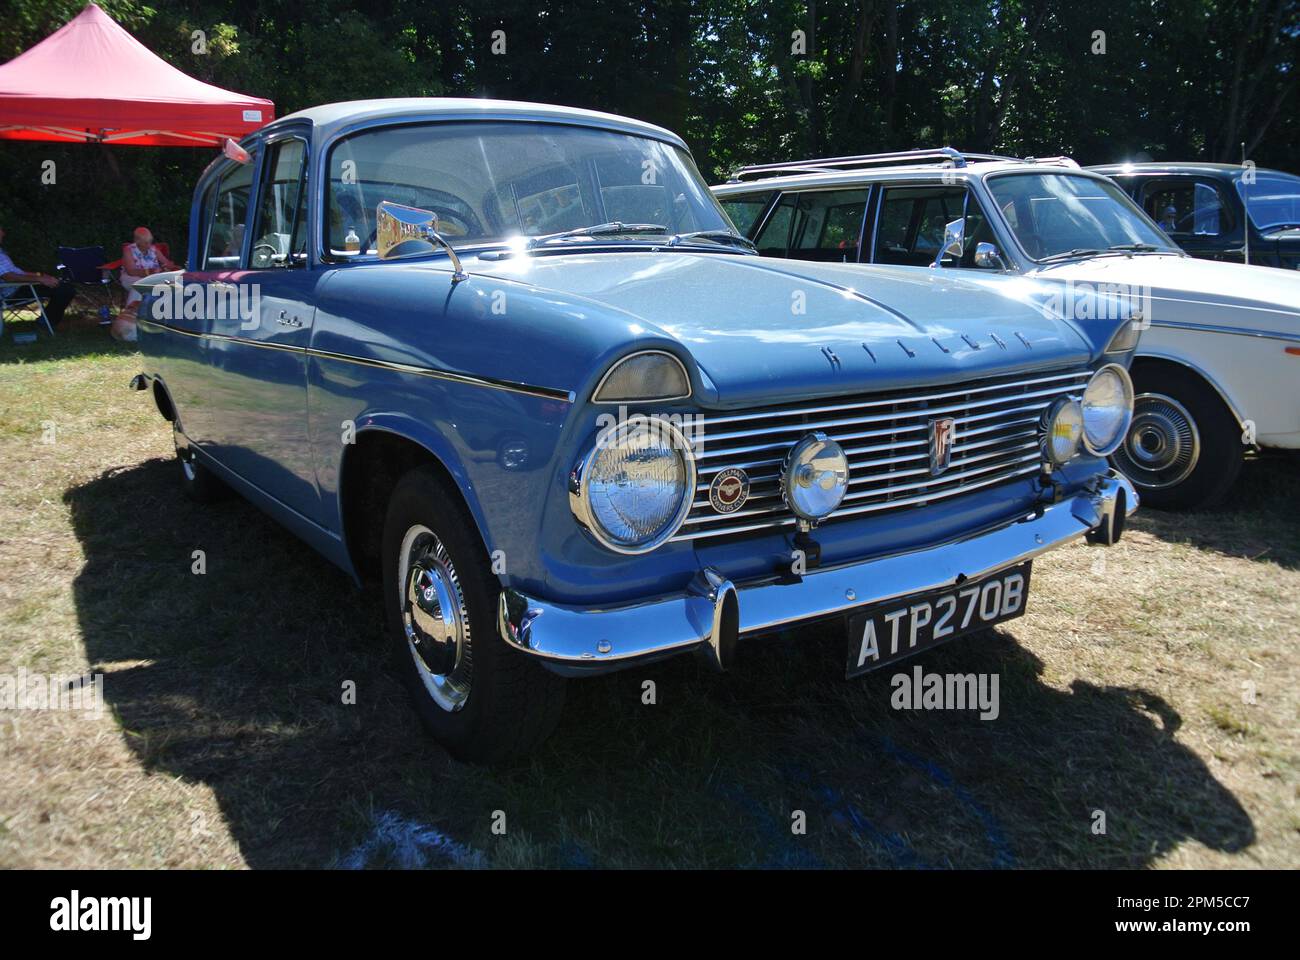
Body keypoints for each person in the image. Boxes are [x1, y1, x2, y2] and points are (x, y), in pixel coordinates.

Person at [0, 224, 76, 327]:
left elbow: (16, 272)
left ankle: (46, 321)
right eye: (0, 230)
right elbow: (8, 277)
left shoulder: (1, 252)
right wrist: (39, 279)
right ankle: (46, 324)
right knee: (64, 289)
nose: (3, 233)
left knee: (63, 286)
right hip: (11, 292)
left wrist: (41, 275)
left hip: (19, 286)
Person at [114, 226, 177, 341]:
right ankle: (131, 324)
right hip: (131, 279)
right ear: (137, 241)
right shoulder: (129, 250)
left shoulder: (153, 249)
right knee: (139, 286)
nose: (149, 245)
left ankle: (165, 324)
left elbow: (167, 263)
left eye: (150, 242)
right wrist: (150, 272)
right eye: (146, 242)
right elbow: (131, 271)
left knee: (171, 285)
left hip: (152, 280)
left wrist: (168, 267)